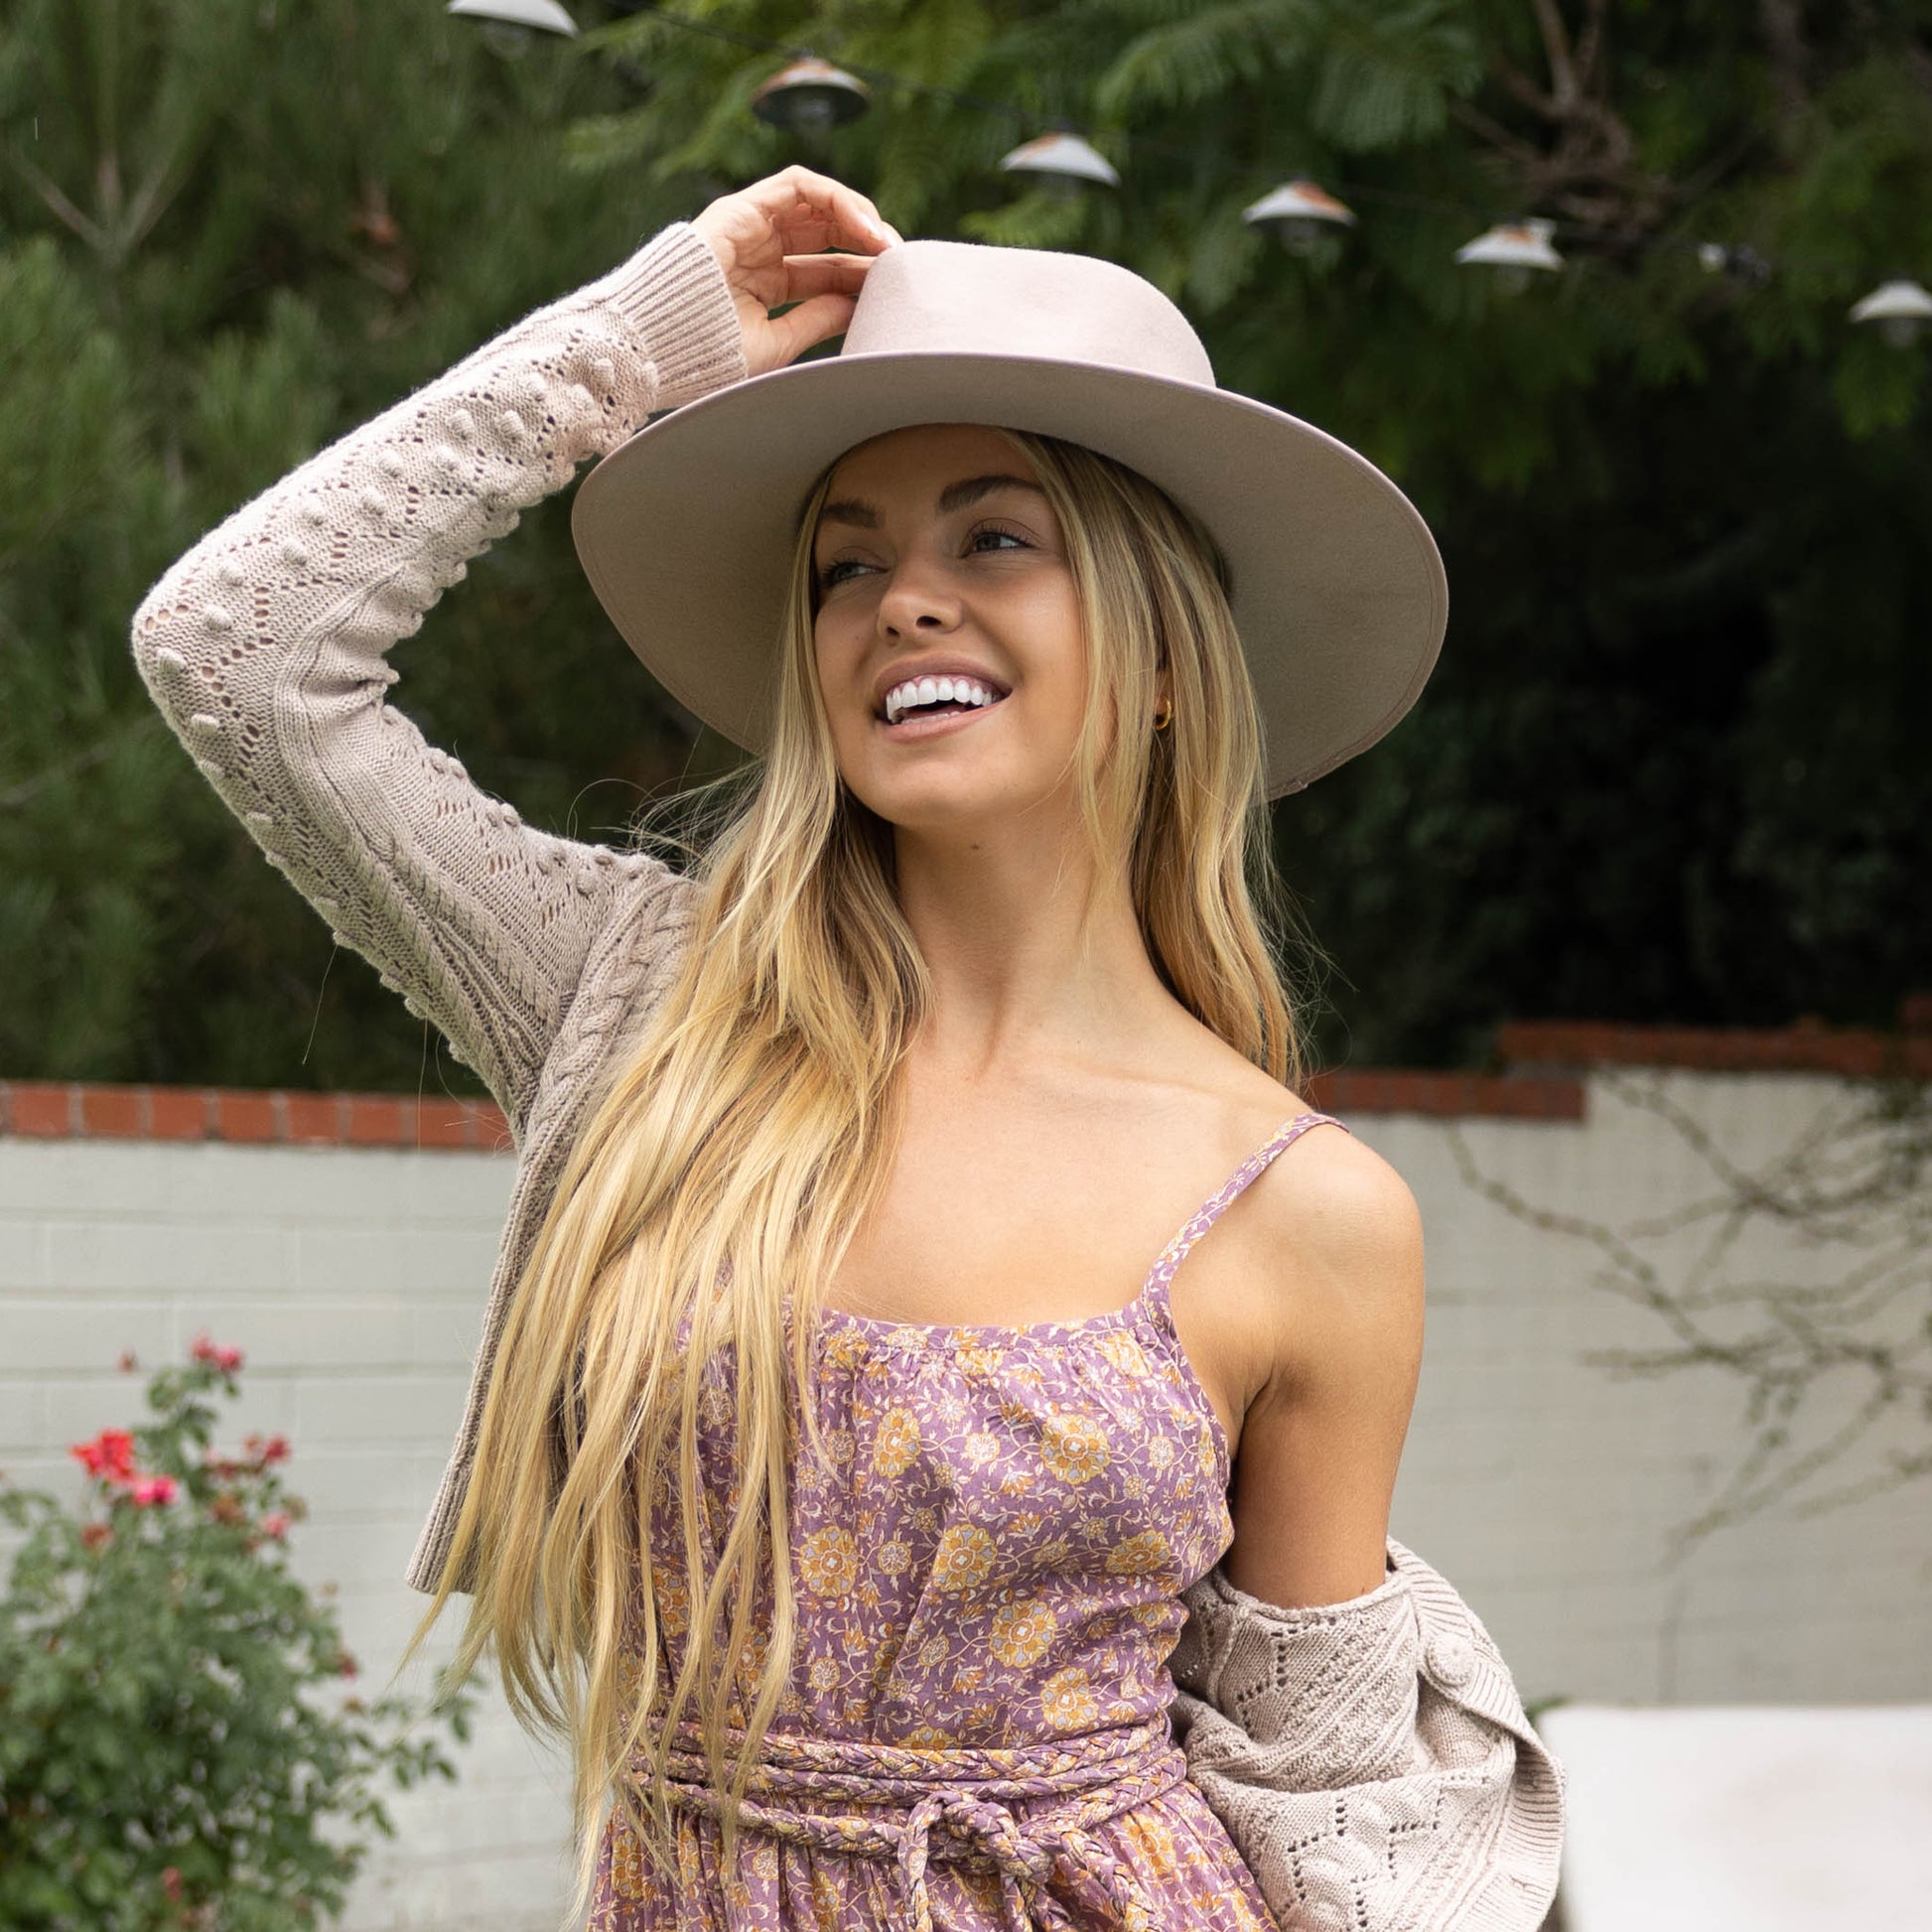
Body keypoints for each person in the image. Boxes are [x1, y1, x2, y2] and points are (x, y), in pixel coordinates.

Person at [133, 167, 1560, 1932]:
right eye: (845, 562)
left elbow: (1333, 1814)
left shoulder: (1309, 1211)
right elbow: (235, 654)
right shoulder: (647, 1014)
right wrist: (638, 340)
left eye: (994, 537)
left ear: (1168, 649)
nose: (902, 600)